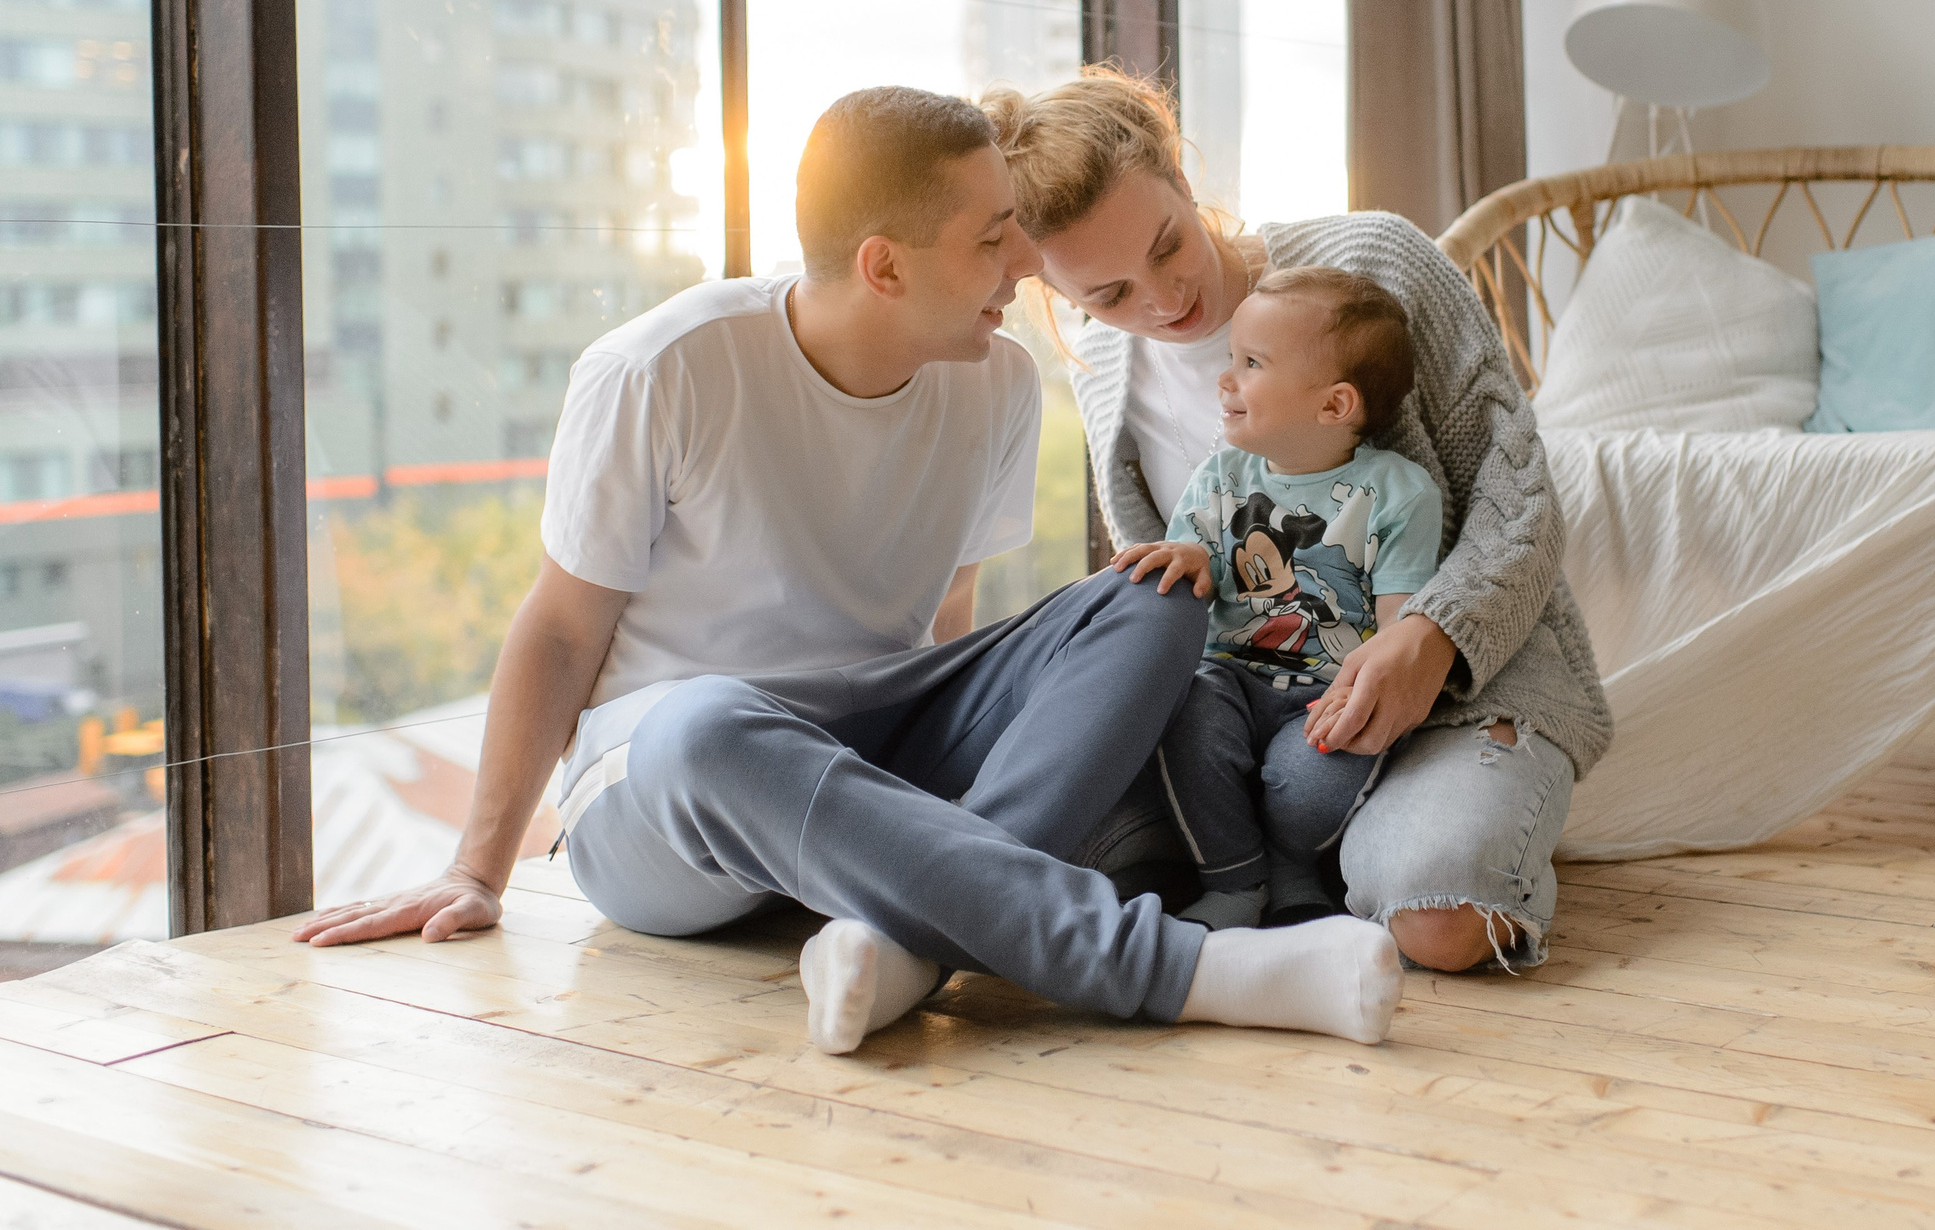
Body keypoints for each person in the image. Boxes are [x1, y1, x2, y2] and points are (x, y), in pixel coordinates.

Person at [293, 86, 1404, 1053]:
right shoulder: (659, 368)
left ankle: (915, 941)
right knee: (709, 723)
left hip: (873, 739)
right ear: (883, 264)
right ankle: (1185, 973)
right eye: (992, 238)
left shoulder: (999, 384)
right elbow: (561, 630)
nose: (1025, 267)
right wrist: (477, 871)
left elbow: (946, 629)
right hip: (669, 785)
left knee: (1150, 599)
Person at [984, 72, 1613, 973]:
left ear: (1182, 175)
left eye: (1169, 244)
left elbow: (1522, 499)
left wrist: (1430, 639)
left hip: (1458, 691)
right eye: (1110, 295)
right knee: (1035, 867)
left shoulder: (1376, 263)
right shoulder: (1101, 374)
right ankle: (1291, 861)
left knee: (1440, 917)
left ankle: (1396, 839)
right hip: (1241, 719)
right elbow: (1172, 569)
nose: (1163, 300)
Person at [1114, 266, 1443, 933]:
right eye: (1231, 359)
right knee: (1187, 723)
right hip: (1228, 680)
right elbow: (1194, 569)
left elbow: (1398, 627)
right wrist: (1185, 557)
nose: (1225, 379)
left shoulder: (1400, 493)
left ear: (1334, 406)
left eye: (1252, 363)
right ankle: (1234, 879)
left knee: (1313, 782)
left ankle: (1292, 868)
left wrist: (1362, 695)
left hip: (1325, 694)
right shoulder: (1220, 475)